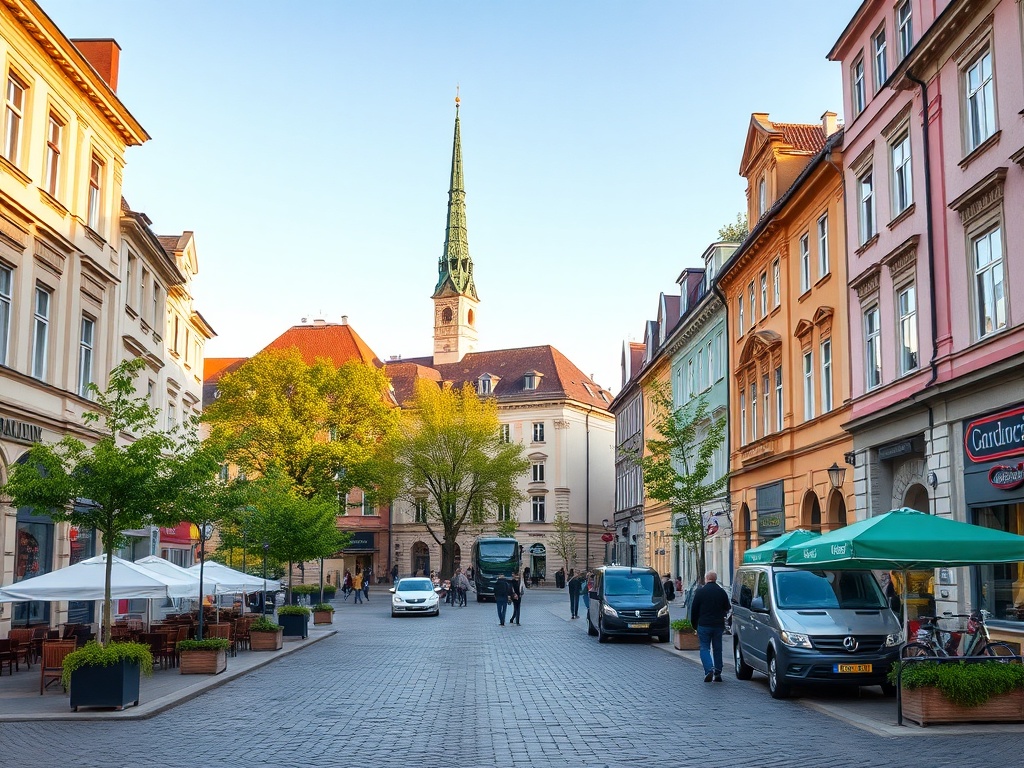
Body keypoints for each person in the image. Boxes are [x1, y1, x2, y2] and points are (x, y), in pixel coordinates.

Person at [690, 571, 731, 682]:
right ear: (715, 579)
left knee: (704, 648)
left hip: (704, 624)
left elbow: (694, 610)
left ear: (706, 578)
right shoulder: (721, 592)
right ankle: (718, 672)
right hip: (718, 625)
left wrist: (694, 625)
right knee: (717, 649)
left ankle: (709, 669)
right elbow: (727, 607)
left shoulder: (700, 592)